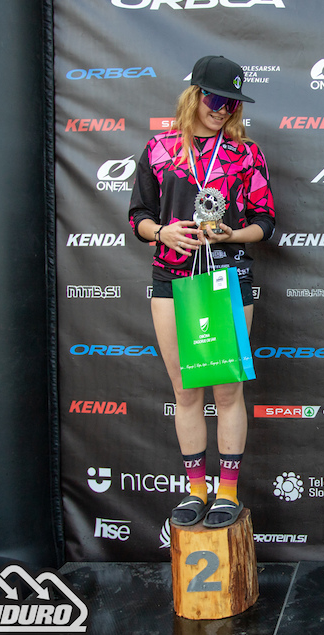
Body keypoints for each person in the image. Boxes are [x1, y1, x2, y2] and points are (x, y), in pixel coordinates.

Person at [128, 55, 275, 528]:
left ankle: (227, 492)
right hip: (172, 278)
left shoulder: (246, 153)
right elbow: (138, 216)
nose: (222, 110)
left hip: (227, 277)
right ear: (193, 95)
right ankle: (195, 491)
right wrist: (160, 233)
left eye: (231, 103)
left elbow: (265, 222)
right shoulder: (158, 149)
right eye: (215, 99)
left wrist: (230, 235)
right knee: (186, 389)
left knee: (228, 391)